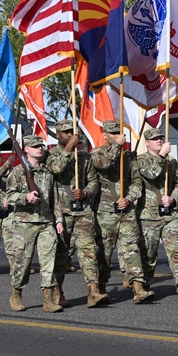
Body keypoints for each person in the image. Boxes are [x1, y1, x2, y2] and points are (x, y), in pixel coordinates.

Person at [47, 119, 108, 308]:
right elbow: (55, 169)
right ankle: (57, 293)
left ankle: (93, 292)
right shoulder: (51, 155)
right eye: (65, 132)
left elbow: (93, 181)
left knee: (89, 251)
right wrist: (68, 150)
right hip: (61, 212)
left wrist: (86, 193)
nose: (70, 134)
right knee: (61, 254)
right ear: (58, 135)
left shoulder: (84, 157)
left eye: (72, 131)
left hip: (83, 211)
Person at [134, 128, 178, 300]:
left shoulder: (172, 161)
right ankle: (143, 287)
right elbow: (151, 174)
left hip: (170, 215)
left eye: (160, 138)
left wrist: (172, 198)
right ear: (147, 142)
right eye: (154, 139)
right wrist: (161, 157)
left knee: (177, 250)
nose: (159, 141)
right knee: (149, 254)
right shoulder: (141, 160)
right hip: (149, 215)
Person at [90, 120, 151, 303]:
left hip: (126, 210)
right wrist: (117, 145)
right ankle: (100, 287)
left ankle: (138, 287)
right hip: (105, 212)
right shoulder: (97, 153)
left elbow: (136, 182)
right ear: (105, 135)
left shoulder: (128, 157)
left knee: (132, 248)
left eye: (119, 133)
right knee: (104, 251)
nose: (117, 136)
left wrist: (129, 198)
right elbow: (105, 164)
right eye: (113, 133)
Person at [3, 135, 63, 313]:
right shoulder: (18, 172)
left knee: (48, 261)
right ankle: (16, 294)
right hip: (24, 223)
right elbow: (10, 196)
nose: (39, 148)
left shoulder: (47, 172)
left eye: (41, 146)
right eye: (35, 146)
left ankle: (48, 299)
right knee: (23, 262)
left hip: (46, 222)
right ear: (26, 150)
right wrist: (25, 197)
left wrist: (58, 219)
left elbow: (55, 198)